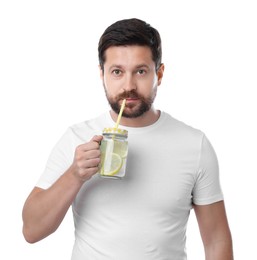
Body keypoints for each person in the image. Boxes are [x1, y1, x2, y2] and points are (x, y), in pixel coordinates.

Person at [22, 18, 233, 259]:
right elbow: (32, 230)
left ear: (159, 74)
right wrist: (75, 175)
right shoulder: (76, 138)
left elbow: (216, 240)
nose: (128, 85)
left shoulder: (194, 145)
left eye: (141, 71)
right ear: (102, 74)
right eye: (117, 72)